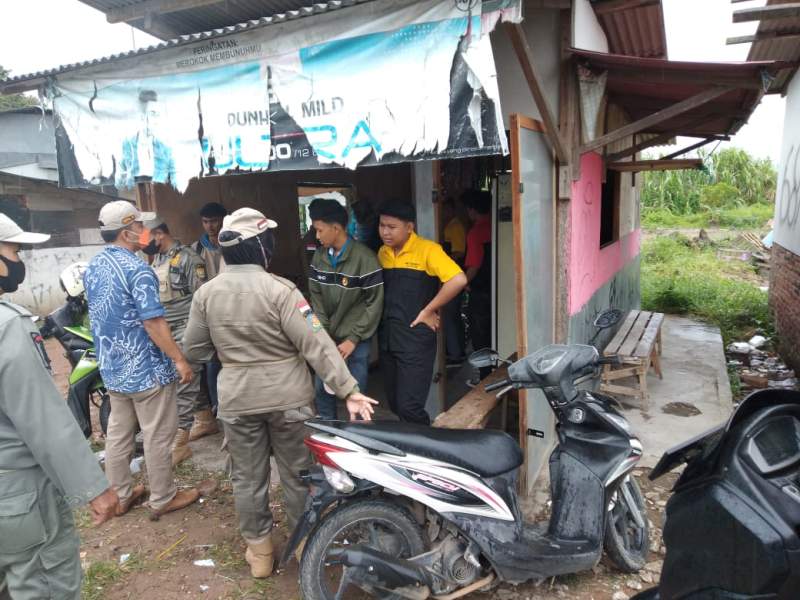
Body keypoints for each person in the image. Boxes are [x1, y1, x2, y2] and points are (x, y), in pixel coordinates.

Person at [183, 207, 378, 579]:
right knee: (298, 476)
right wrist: (348, 390)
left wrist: (230, 352)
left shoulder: (206, 295)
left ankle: (259, 554)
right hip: (288, 400)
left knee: (247, 478)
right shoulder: (282, 291)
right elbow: (317, 344)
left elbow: (194, 351)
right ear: (260, 246)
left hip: (238, 401)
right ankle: (305, 545)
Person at [0, 213, 119, 600]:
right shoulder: (9, 326)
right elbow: (45, 421)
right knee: (43, 585)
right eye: (15, 250)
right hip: (18, 496)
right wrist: (93, 487)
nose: (20, 260)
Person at [84, 200, 200, 519]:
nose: (144, 232)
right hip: (146, 371)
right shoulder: (139, 271)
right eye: (138, 227)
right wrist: (179, 359)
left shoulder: (94, 266)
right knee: (157, 434)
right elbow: (153, 322)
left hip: (113, 368)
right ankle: (163, 496)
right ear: (126, 232)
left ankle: (120, 495)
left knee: (119, 434)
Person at [377, 199, 467, 424]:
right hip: (388, 337)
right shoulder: (383, 253)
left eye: (392, 227)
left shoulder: (428, 250)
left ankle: (426, 445)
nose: (385, 232)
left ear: (409, 227)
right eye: (382, 226)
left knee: (410, 406)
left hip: (415, 339)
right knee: (395, 403)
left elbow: (458, 279)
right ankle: (410, 447)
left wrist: (430, 309)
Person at [148, 217, 216, 464]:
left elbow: (203, 297)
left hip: (189, 328)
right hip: (168, 329)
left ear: (159, 234)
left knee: (185, 379)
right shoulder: (158, 260)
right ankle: (206, 420)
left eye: (147, 237)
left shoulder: (189, 258)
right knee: (186, 378)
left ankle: (179, 442)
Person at [307, 198, 384, 419]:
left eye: (320, 230)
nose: (317, 236)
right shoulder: (318, 257)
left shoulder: (365, 259)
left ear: (337, 228)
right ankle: (329, 435)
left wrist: (354, 338)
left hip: (356, 339)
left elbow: (374, 304)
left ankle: (357, 436)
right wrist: (322, 334)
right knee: (322, 390)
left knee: (356, 391)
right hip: (327, 337)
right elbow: (316, 298)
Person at [193, 201, 227, 419]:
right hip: (208, 315)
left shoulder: (233, 243)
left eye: (214, 221)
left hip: (232, 312)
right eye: (206, 222)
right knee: (211, 363)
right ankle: (216, 409)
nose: (210, 226)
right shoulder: (196, 249)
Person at [116, 89, 176, 189]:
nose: (149, 120)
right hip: (140, 193)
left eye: (154, 114)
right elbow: (120, 182)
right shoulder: (128, 144)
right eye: (144, 115)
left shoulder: (166, 145)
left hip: (164, 193)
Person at [462, 190, 493, 381]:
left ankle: (484, 378)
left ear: (472, 210)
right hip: (497, 289)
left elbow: (474, 265)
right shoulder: (494, 226)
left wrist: (463, 283)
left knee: (480, 336)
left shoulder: (475, 232)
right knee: (493, 332)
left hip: (481, 291)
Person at [441, 197, 467, 366]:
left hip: (452, 277)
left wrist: (442, 261)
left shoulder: (455, 227)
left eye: (444, 210)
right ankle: (459, 351)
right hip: (451, 276)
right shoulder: (451, 226)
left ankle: (455, 354)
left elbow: (459, 252)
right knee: (453, 316)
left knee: (450, 316)